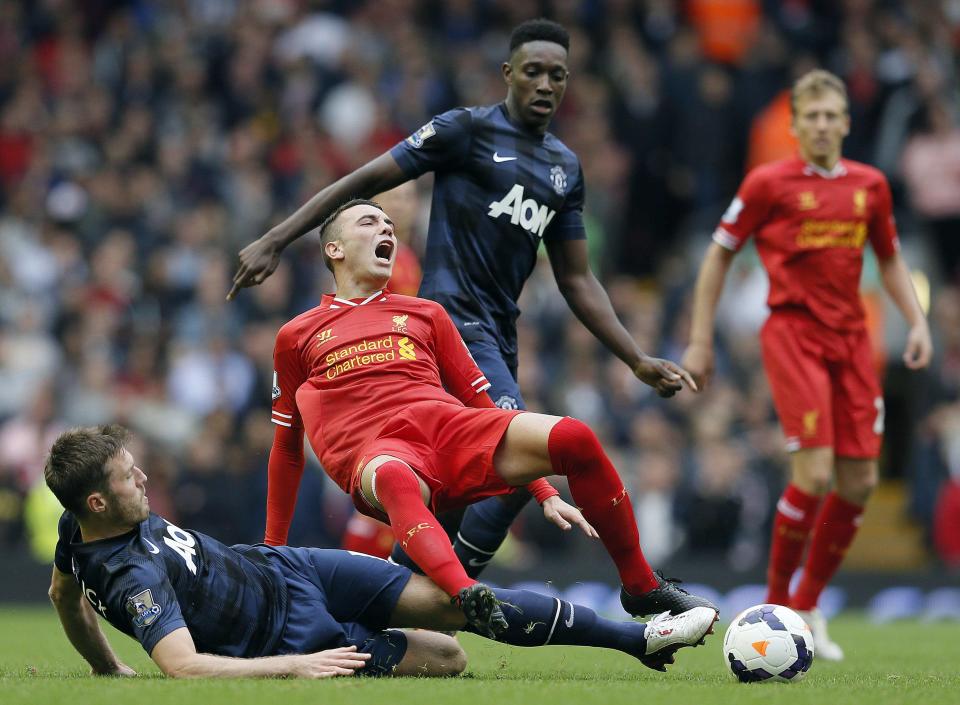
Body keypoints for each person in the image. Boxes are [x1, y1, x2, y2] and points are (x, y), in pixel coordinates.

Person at [229, 19, 691, 578]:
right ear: (508, 75)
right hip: (453, 324)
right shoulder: (464, 132)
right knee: (535, 455)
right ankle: (494, 587)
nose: (546, 85)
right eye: (534, 72)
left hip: (500, 334)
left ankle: (405, 596)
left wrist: (635, 358)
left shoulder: (564, 169)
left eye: (558, 76)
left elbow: (577, 279)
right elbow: (361, 181)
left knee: (472, 493)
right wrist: (276, 239)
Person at [267, 198, 717, 632]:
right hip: (381, 454)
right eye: (369, 222)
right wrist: (274, 551)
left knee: (573, 437)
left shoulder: (427, 314)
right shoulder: (297, 335)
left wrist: (542, 492)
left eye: (389, 224)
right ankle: (466, 593)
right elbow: (287, 448)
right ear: (335, 249)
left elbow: (482, 405)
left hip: (447, 430)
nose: (386, 228)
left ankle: (641, 585)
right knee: (395, 478)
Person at [44, 425, 718, 678]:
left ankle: (641, 640)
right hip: (290, 633)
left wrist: (105, 667)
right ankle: (488, 522)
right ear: (98, 501)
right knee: (449, 657)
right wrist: (293, 667)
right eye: (127, 476)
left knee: (462, 607)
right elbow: (184, 667)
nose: (141, 477)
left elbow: (61, 596)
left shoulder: (77, 531)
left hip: (290, 566)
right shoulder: (132, 575)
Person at [680, 69, 933, 660]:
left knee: (861, 482)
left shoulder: (871, 185)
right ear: (794, 125)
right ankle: (774, 609)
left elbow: (891, 260)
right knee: (814, 476)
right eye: (811, 116)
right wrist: (700, 339)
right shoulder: (769, 183)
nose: (821, 125)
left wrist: (916, 321)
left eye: (830, 115)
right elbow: (718, 256)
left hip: (852, 343)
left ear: (846, 123)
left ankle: (810, 604)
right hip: (793, 336)